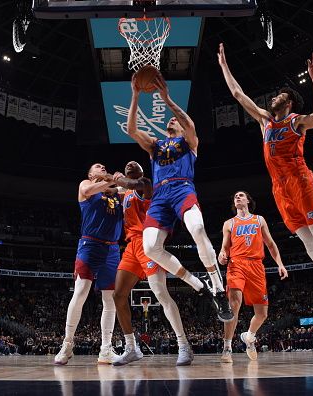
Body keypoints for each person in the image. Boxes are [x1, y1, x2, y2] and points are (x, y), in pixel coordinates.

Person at [217, 43, 313, 341]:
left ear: (289, 103)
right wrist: (223, 66)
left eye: (280, 96)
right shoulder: (265, 121)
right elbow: (237, 94)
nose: (274, 97)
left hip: (300, 182)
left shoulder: (295, 121)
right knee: (309, 245)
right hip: (280, 190)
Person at [126, 71, 233, 322]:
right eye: (171, 121)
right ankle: (198, 283)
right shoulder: (156, 145)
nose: (173, 121)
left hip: (183, 188)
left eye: (176, 120)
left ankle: (218, 288)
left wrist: (166, 99)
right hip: (161, 195)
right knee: (150, 247)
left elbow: (190, 125)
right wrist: (135, 95)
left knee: (197, 229)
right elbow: (131, 129)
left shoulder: (189, 142)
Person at [111, 161, 194, 366]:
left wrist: (118, 178)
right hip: (131, 246)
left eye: (134, 164)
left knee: (161, 294)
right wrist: (111, 179)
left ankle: (184, 345)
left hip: (149, 243)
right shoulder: (126, 193)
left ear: (140, 172)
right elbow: (112, 188)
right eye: (127, 164)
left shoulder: (146, 186)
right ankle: (131, 348)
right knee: (118, 295)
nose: (129, 163)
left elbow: (132, 185)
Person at [54, 163, 124, 365]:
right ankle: (67, 345)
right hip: (90, 244)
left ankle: (106, 349)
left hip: (112, 249)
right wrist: (111, 179)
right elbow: (87, 190)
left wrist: (123, 179)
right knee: (81, 292)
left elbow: (133, 188)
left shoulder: (114, 192)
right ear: (90, 174)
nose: (102, 167)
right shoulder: (86, 184)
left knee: (110, 299)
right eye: (97, 166)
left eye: (104, 167)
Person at [218, 191, 288, 363]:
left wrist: (280, 263)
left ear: (248, 200)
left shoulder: (259, 220)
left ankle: (249, 337)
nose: (237, 197)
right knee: (234, 305)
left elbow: (270, 244)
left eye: (241, 195)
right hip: (236, 265)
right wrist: (221, 255)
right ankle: (227, 347)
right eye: (235, 196)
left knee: (262, 313)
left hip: (256, 266)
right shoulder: (229, 223)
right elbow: (224, 247)